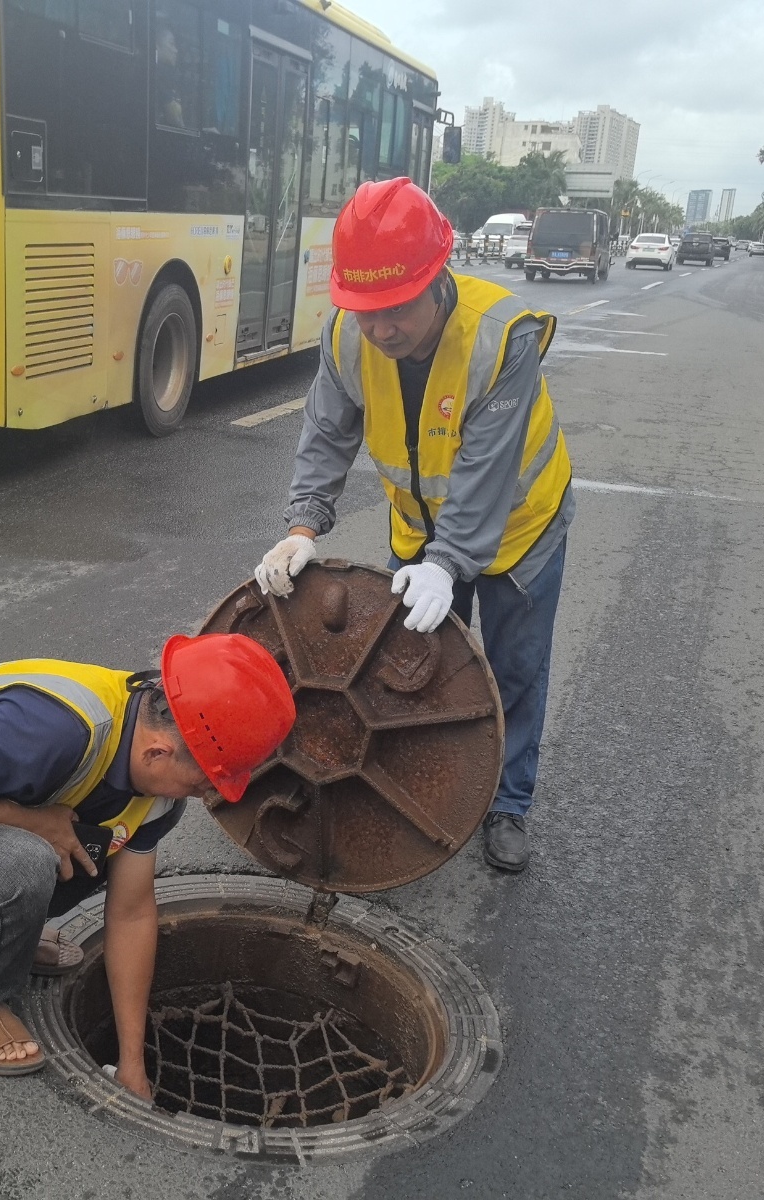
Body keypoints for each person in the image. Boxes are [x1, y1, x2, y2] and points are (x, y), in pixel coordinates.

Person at [0, 634, 295, 1099]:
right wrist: (32, 822)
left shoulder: (156, 790)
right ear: (157, 752)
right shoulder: (56, 731)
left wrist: (133, 1063)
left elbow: (131, 913)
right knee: (25, 863)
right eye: (205, 780)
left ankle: (4, 937)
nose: (208, 794)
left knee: (92, 846)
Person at [255, 177, 573, 873]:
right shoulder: (347, 336)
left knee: (514, 672)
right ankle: (426, 786)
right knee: (415, 667)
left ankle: (509, 803)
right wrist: (302, 526)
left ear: (437, 278)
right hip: (420, 533)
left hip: (521, 530)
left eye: (395, 308)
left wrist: (449, 560)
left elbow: (487, 473)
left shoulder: (501, 337)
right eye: (364, 310)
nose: (380, 328)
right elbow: (326, 434)